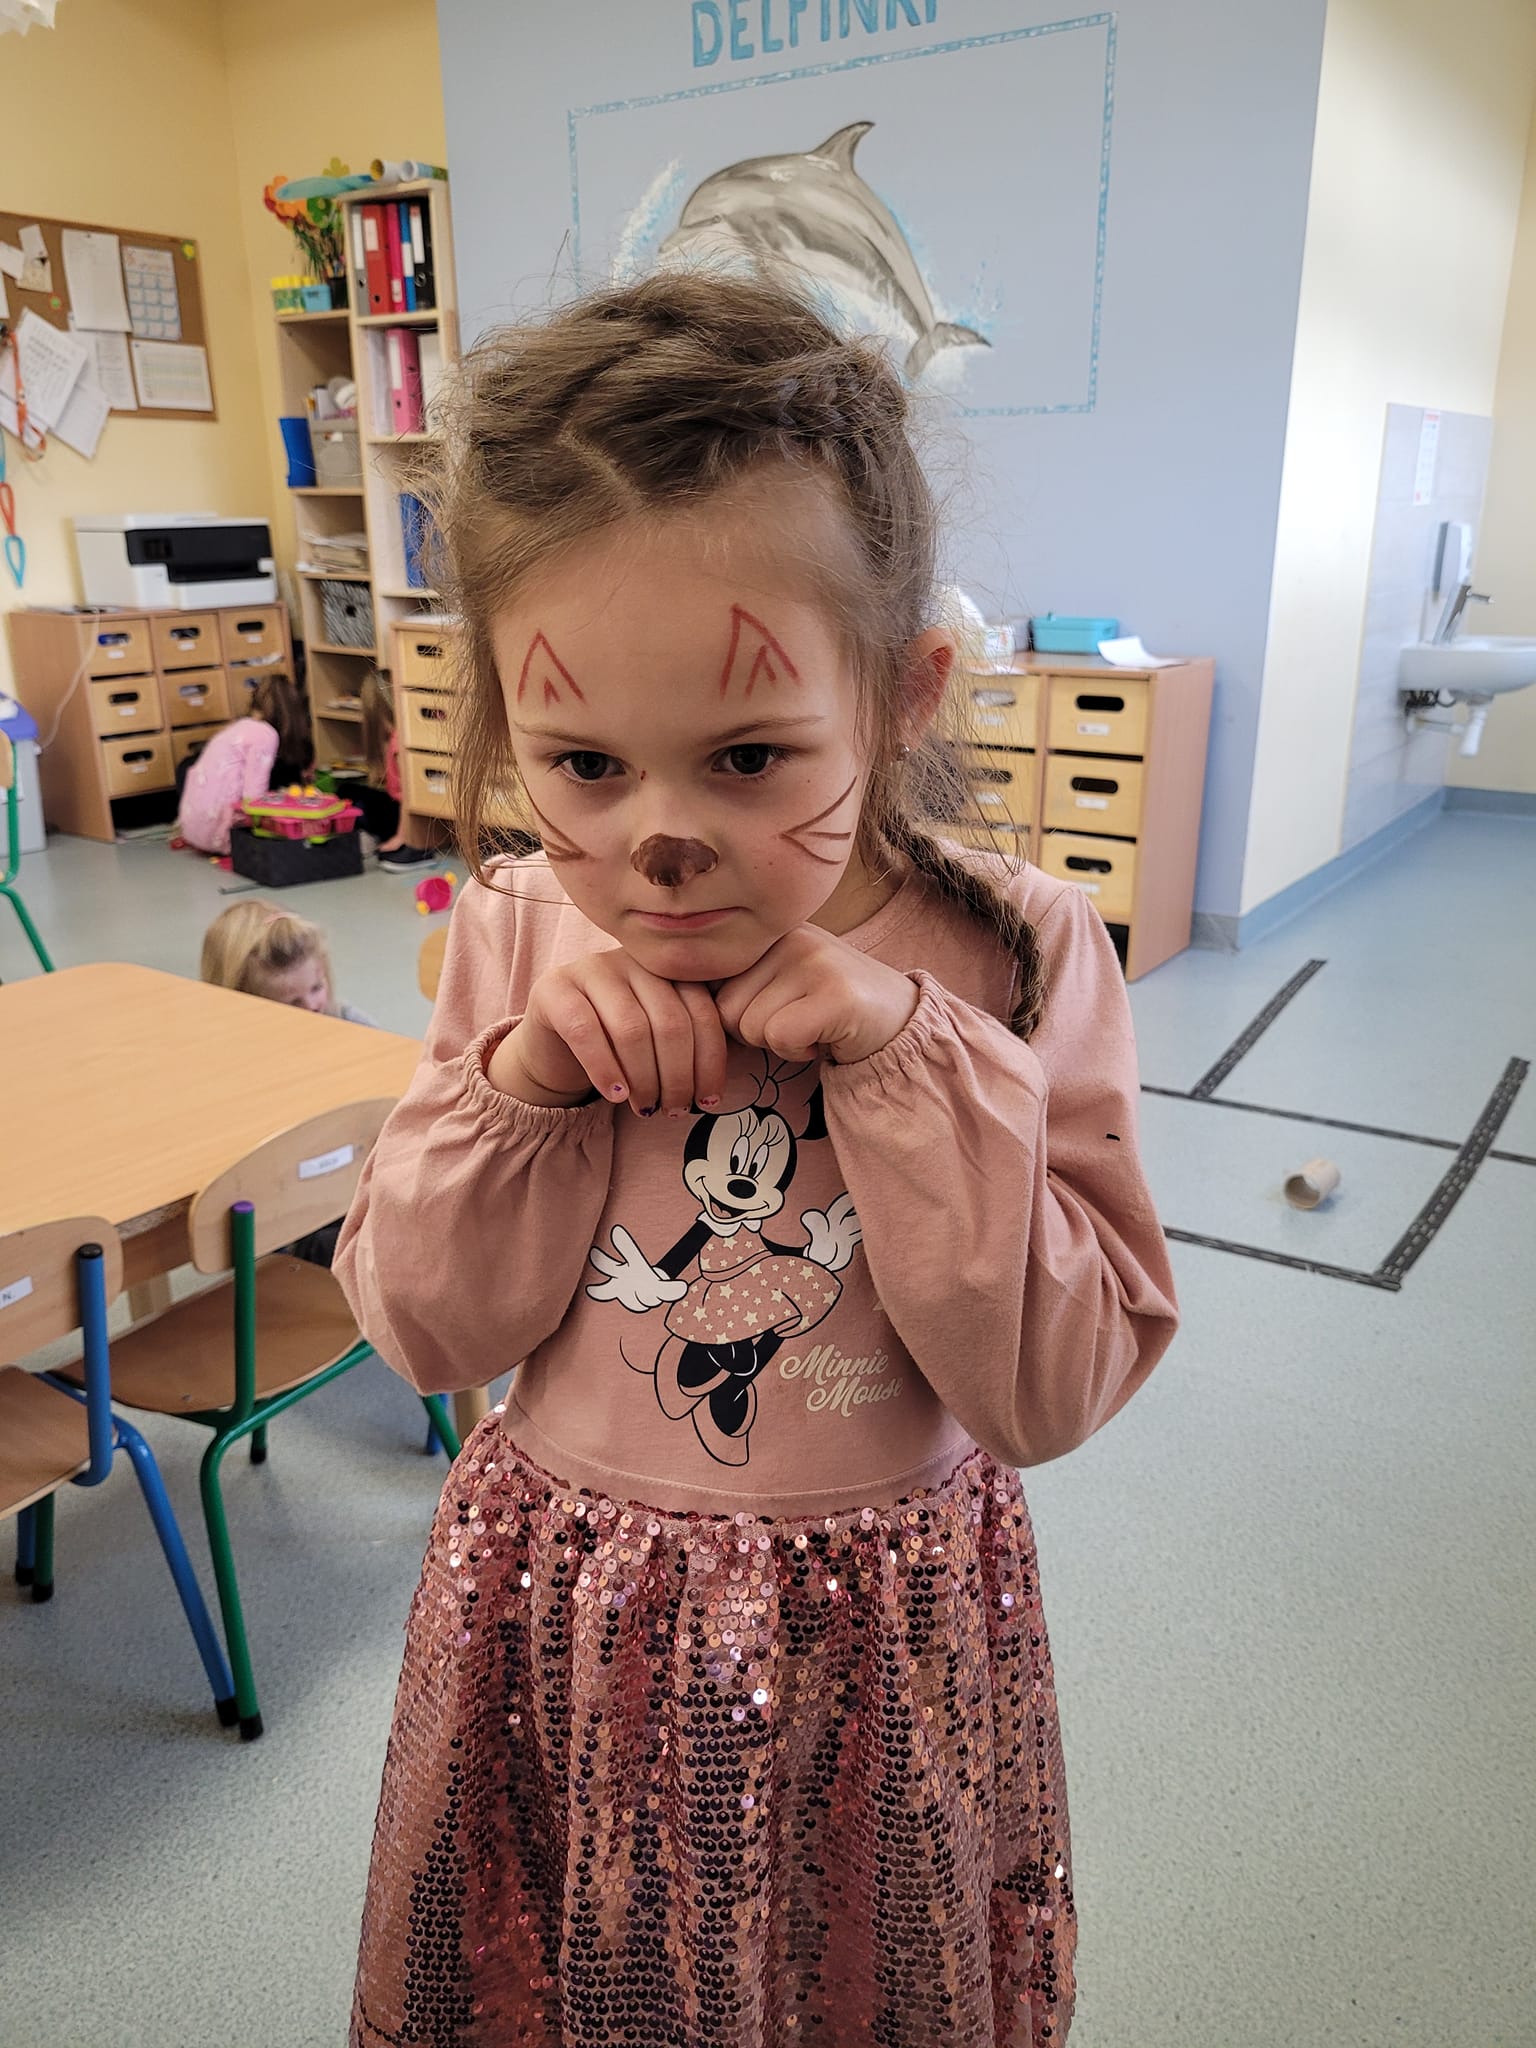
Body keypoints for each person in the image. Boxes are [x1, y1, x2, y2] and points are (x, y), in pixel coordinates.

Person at [335, 272, 1179, 2048]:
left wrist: (910, 1063)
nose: (660, 843)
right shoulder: (517, 929)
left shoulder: (1019, 951)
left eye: (746, 757)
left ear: (904, 691)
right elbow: (422, 1330)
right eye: (582, 761)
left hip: (881, 1635)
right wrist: (526, 1083)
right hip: (568, 1617)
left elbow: (1053, 1385)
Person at [175, 673, 313, 856]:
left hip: (193, 831)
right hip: (221, 836)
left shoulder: (238, 727)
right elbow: (253, 797)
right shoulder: (266, 735)